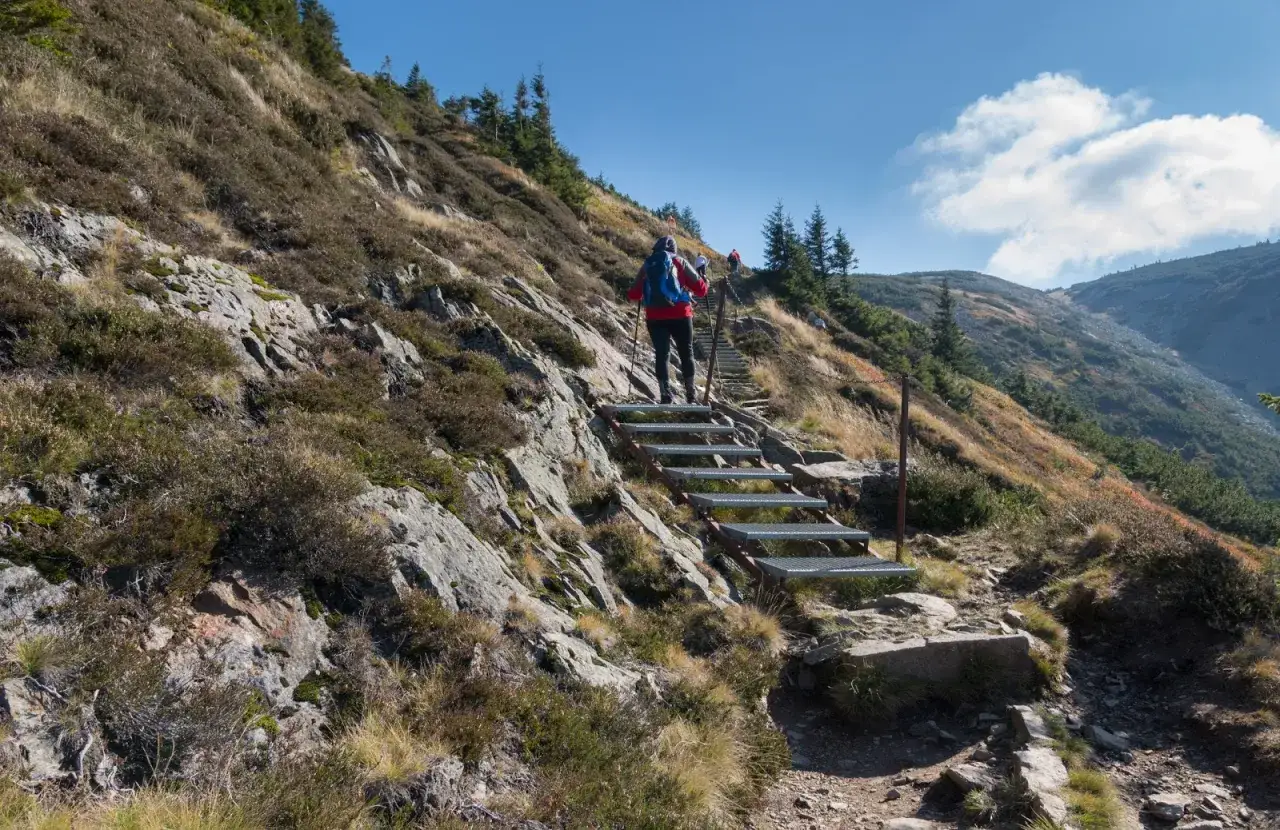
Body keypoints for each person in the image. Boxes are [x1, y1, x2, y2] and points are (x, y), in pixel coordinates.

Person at [627, 236, 709, 404]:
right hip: (681, 314)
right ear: (674, 249)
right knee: (686, 353)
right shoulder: (680, 262)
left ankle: (665, 394)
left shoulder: (648, 264)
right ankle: (691, 395)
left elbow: (633, 294)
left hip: (655, 316)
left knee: (662, 354)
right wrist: (704, 282)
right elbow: (701, 290)